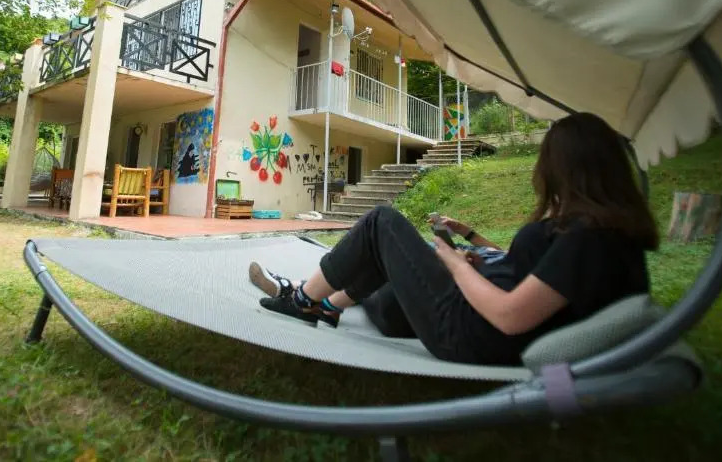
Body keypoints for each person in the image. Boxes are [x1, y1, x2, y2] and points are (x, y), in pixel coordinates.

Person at [248, 112, 657, 366]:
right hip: (470, 316)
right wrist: (473, 261)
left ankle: (303, 299)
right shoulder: (604, 234)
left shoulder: (590, 237)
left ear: (566, 168)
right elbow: (536, 281)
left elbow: (511, 316)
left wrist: (458, 267)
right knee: (391, 258)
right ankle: (318, 301)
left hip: (465, 329)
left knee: (381, 223)